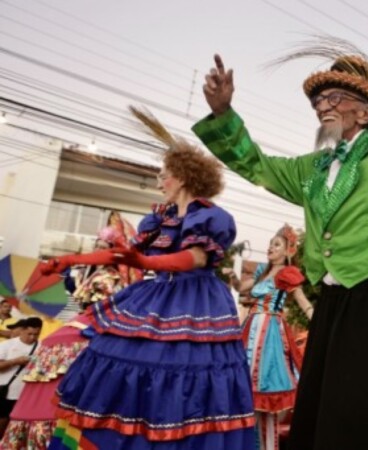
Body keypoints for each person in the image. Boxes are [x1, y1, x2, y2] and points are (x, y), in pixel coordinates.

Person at [193, 41, 368, 450]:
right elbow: (258, 166)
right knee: (319, 413)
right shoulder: (316, 166)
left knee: (358, 417)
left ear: (365, 112)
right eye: (318, 100)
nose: (323, 106)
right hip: (331, 303)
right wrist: (223, 114)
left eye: (335, 97)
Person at [40, 108, 255, 449]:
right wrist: (67, 260)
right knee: (111, 359)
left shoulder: (212, 217)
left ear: (181, 177)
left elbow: (195, 258)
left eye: (163, 175)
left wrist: (143, 260)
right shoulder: (158, 219)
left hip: (195, 301)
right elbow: (121, 254)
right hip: (154, 295)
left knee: (181, 371)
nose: (158, 182)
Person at [0, 226, 136, 450]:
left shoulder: (109, 277)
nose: (97, 250)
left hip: (94, 325)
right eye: (96, 245)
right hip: (79, 325)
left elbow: (102, 306)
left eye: (103, 247)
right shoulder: (82, 273)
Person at [226, 224, 313, 450]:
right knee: (245, 387)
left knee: (265, 386)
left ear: (288, 251)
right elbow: (242, 288)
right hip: (250, 327)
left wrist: (319, 322)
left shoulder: (288, 274)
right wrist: (233, 277)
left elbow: (302, 301)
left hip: (270, 333)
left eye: (276, 244)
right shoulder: (262, 272)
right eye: (270, 244)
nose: (270, 248)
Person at [0, 317, 42, 436]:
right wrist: (15, 361)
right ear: (22, 330)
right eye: (29, 334)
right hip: (5, 391)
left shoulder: (42, 346)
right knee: (2, 420)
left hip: (27, 393)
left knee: (19, 424)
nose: (32, 337)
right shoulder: (7, 345)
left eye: (36, 334)